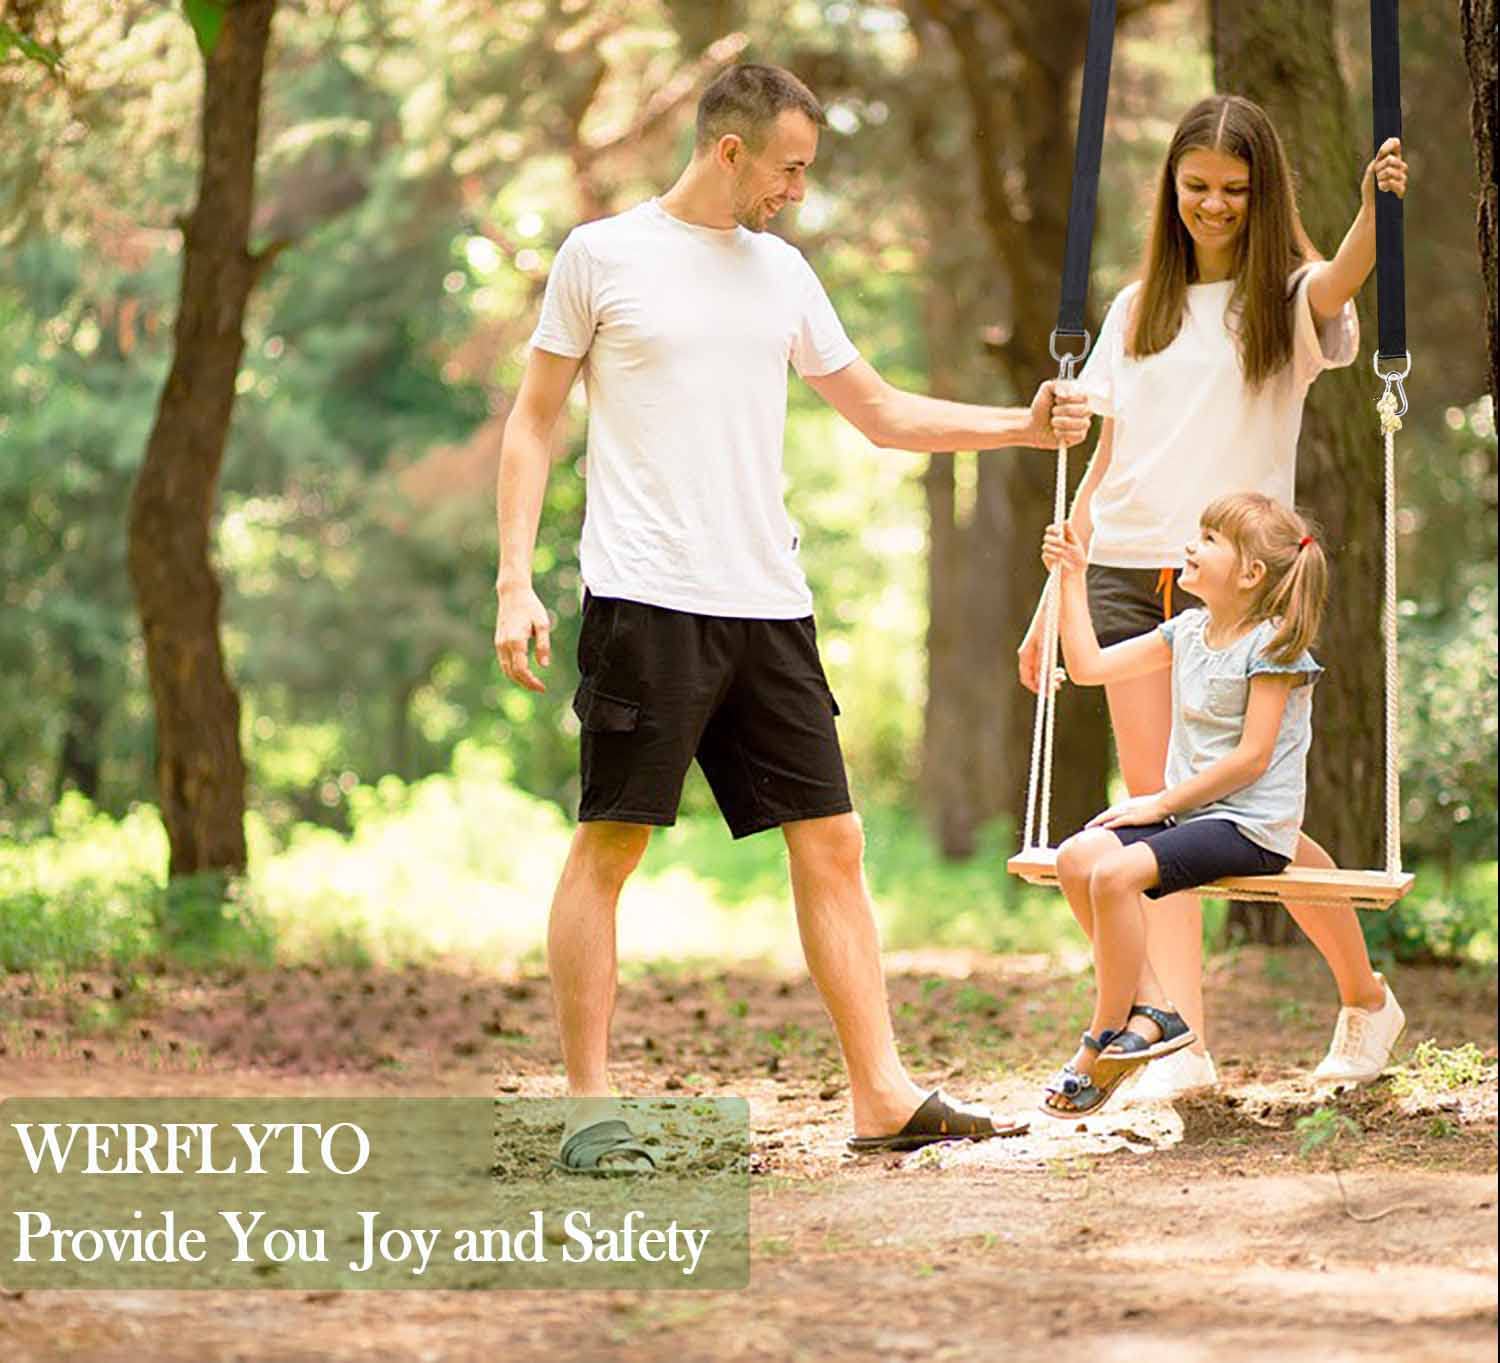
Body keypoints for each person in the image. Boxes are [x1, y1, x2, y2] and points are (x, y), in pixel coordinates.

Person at [494, 63, 1092, 1168]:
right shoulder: (603, 255)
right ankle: (587, 1108)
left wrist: (1022, 424)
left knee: (835, 839)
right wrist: (513, 579)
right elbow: (533, 421)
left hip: (768, 603)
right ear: (730, 151)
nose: (799, 190)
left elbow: (879, 412)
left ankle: (881, 1092)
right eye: (790, 167)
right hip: (646, 600)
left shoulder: (782, 273)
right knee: (612, 841)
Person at [1017, 95, 1408, 1100]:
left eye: (1235, 189)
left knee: (1243, 810)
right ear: (1172, 188)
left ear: (1263, 192)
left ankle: (1365, 996)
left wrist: (1376, 208)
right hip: (1124, 572)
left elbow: (1346, 272)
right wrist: (1051, 595)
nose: (1215, 205)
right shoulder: (1135, 307)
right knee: (1157, 819)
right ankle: (1179, 1042)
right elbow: (1108, 459)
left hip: (1238, 585)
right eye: (1196, 186)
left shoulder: (1285, 301)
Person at [1034, 493, 1392, 1118]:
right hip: (1191, 818)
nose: (1189, 547)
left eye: (1208, 539)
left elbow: (1252, 760)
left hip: (1248, 827)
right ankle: (1154, 1010)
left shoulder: (1274, 647)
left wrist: (1158, 803)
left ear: (1250, 573)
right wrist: (1072, 575)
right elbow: (1088, 667)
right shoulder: (1187, 632)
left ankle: (1101, 1040)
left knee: (1115, 875)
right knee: (1076, 859)